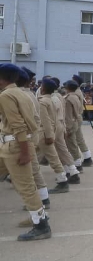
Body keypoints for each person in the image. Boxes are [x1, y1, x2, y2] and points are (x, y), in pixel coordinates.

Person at [0, 63, 52, 240]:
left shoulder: (7, 95)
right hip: (12, 145)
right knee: (24, 183)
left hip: (16, 145)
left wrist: (24, 151)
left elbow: (18, 125)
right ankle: (40, 216)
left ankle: (41, 225)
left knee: (26, 186)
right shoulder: (23, 93)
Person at [71, 75, 93, 167]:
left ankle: (79, 160)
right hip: (77, 116)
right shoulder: (78, 91)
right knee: (78, 138)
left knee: (75, 139)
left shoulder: (76, 92)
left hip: (75, 117)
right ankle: (87, 157)